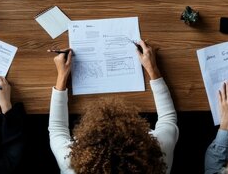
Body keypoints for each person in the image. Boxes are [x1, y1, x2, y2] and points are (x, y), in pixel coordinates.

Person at [48, 41, 179, 173]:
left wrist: (62, 76)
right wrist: (152, 68)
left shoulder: (70, 163)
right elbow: (168, 119)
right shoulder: (157, 155)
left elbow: (57, 129)